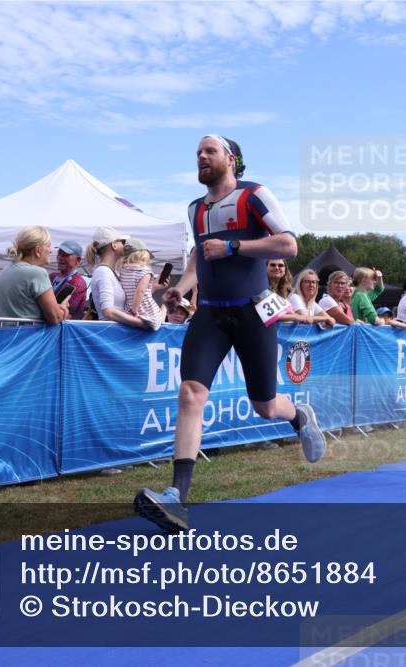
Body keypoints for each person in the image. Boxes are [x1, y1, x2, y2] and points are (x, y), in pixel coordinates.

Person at [134, 134, 326, 533]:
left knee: (266, 405)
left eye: (210, 151)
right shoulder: (195, 208)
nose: (202, 157)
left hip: (253, 312)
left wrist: (233, 247)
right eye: (198, 153)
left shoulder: (254, 195)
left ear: (232, 160)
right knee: (190, 393)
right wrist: (182, 289)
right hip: (210, 315)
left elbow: (289, 245)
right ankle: (178, 499)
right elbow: (197, 254)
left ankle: (299, 415)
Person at [0, 226, 69, 323]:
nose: (51, 250)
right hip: (27, 336)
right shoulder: (37, 273)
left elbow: (22, 307)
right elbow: (56, 318)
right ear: (38, 250)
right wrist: (63, 308)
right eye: (48, 246)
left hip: (2, 335)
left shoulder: (6, 269)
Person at [84, 226, 149, 327]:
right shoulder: (103, 272)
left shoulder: (111, 272)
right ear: (114, 245)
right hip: (111, 333)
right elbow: (108, 311)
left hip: (116, 332)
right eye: (122, 242)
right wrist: (140, 323)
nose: (124, 245)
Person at [120, 238, 167, 330]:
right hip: (146, 311)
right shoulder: (145, 272)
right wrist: (134, 311)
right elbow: (140, 291)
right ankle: (165, 305)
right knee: (159, 322)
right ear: (143, 255)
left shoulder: (122, 270)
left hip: (128, 309)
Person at [49, 239, 88, 320]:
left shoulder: (78, 282)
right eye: (59, 253)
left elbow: (67, 312)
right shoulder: (52, 276)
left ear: (78, 260)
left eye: (65, 255)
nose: (60, 257)